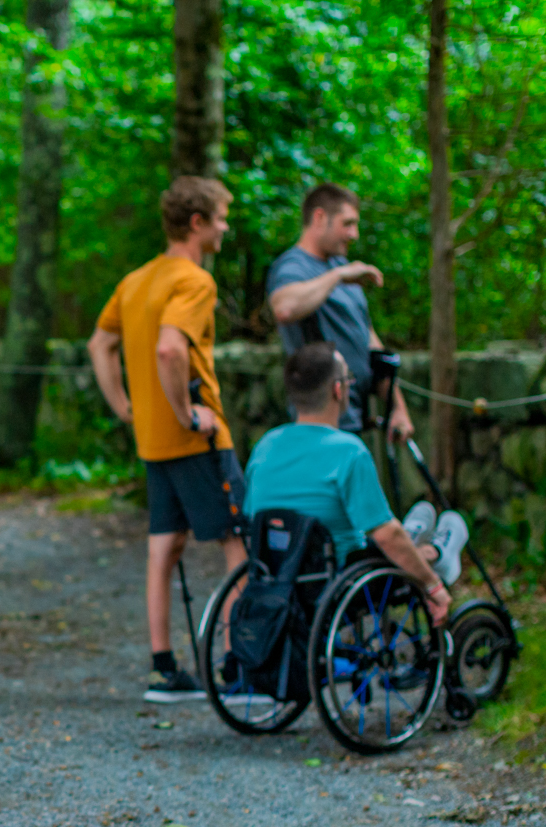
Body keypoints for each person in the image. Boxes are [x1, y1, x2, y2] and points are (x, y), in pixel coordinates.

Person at [88, 175, 249, 703]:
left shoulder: (136, 280)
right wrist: (187, 413)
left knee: (164, 550)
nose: (227, 227)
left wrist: (125, 408)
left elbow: (100, 345)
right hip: (197, 440)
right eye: (222, 217)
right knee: (238, 545)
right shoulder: (195, 281)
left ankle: (164, 669)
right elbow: (170, 350)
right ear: (198, 224)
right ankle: (239, 666)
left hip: (152, 443)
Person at [243, 344, 467, 623]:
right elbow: (384, 535)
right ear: (338, 390)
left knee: (400, 529)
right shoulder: (348, 451)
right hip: (340, 584)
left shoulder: (266, 446)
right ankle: (438, 552)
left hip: (277, 578)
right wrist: (433, 587)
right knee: (440, 527)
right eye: (349, 379)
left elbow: (253, 519)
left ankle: (415, 533)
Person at [265, 183, 415, 442]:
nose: (354, 234)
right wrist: (338, 275)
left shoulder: (341, 267)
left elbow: (368, 339)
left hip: (354, 415)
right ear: (320, 217)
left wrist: (397, 407)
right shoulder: (294, 266)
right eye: (347, 223)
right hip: (319, 421)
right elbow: (284, 307)